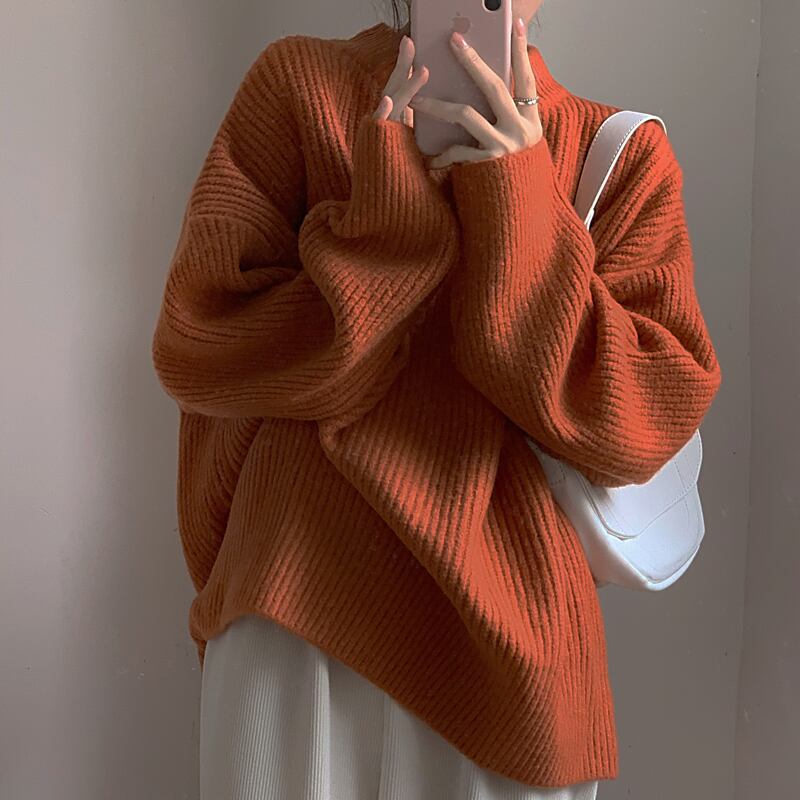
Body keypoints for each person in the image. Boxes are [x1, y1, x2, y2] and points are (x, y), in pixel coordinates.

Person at [150, 1, 723, 797]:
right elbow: (200, 345)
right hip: (294, 600)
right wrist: (387, 229)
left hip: (516, 650)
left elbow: (639, 425)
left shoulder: (618, 155)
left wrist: (518, 201)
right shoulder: (300, 88)